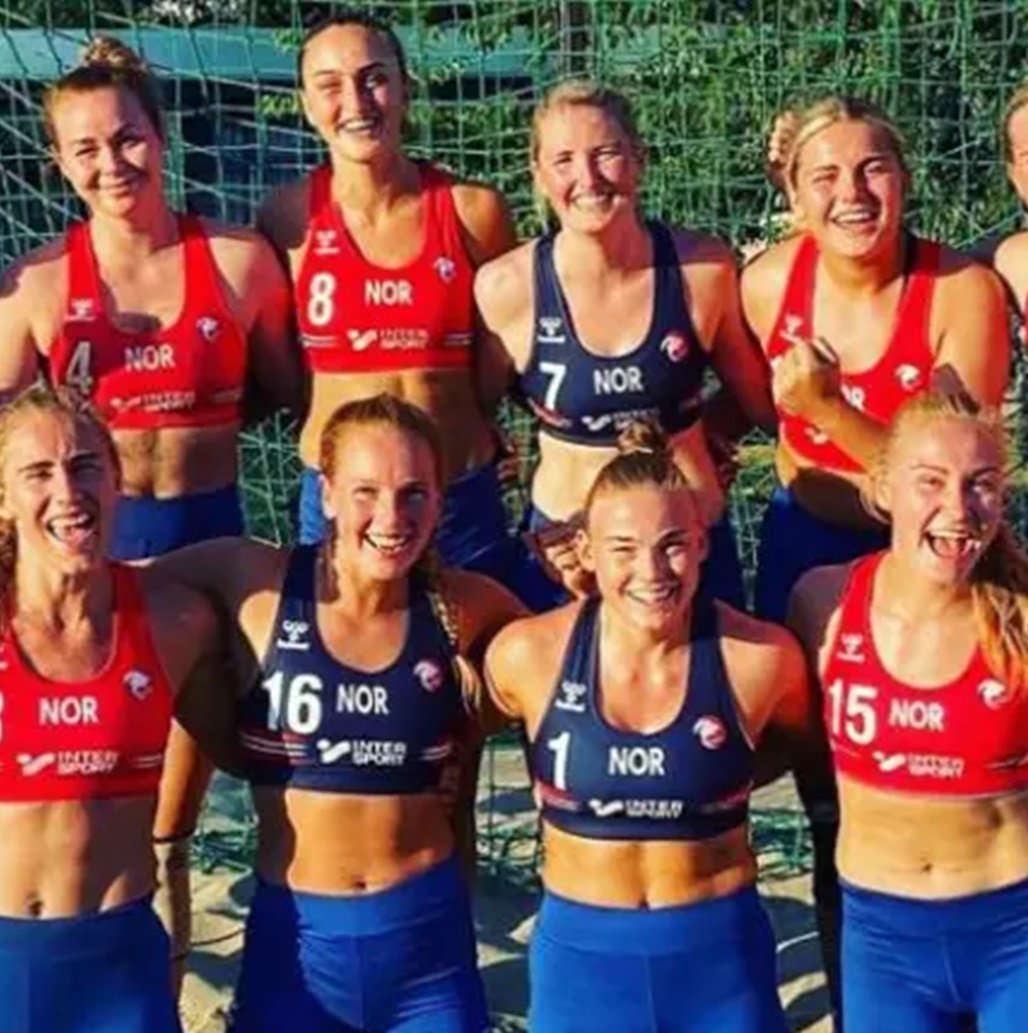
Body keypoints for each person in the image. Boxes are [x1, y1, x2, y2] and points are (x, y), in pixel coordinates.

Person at [0, 35, 303, 989]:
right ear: (57, 162)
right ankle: (153, 977)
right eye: (86, 149)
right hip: (93, 553)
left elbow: (296, 396)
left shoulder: (242, 262)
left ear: (161, 138)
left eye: (127, 140)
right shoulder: (43, 284)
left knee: (226, 785)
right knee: (116, 800)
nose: (111, 164)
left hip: (206, 541)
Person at [149, 393, 525, 1032]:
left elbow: (574, 664)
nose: (391, 515)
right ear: (324, 493)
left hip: (427, 958)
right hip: (295, 952)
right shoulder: (255, 584)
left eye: (414, 493)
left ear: (440, 500)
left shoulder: (466, 608)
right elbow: (118, 588)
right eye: (365, 491)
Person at [484, 421, 814, 1032]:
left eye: (672, 544)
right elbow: (447, 735)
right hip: (583, 967)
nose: (653, 570)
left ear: (703, 543)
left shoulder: (761, 659)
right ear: (584, 551)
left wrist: (715, 776)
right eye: (623, 549)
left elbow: (798, 741)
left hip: (719, 961)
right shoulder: (527, 657)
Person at [256, 12, 546, 607]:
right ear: (307, 105)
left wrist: (464, 425)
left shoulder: (473, 212)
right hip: (342, 498)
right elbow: (284, 372)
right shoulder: (287, 220)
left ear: (405, 88)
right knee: (346, 660)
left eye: (373, 78)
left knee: (478, 670)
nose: (356, 101)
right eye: (330, 85)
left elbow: (502, 360)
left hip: (457, 494)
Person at [475, 81, 776, 611]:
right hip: (568, 556)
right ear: (539, 176)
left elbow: (765, 404)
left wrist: (702, 436)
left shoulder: (702, 270)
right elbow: (472, 424)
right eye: (564, 160)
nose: (587, 179)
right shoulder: (506, 288)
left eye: (606, 155)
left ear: (639, 160)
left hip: (687, 546)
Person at [788, 391, 1028, 1032]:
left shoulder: (1021, 618)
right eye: (931, 482)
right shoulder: (824, 601)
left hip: (1013, 931)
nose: (958, 508)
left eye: (981, 485)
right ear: (884, 489)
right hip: (883, 937)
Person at [0, 384, 227, 1032]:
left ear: (118, 479)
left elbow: (255, 753)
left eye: (86, 466)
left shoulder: (174, 620)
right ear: (4, 500)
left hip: (119, 970)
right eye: (38, 473)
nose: (68, 491)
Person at [744, 95, 1009, 624]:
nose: (852, 192)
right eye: (825, 176)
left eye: (873, 169)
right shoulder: (766, 284)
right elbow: (747, 399)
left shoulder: (962, 293)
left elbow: (948, 474)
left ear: (904, 181)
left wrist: (825, 410)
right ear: (794, 198)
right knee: (796, 704)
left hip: (931, 545)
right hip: (800, 533)